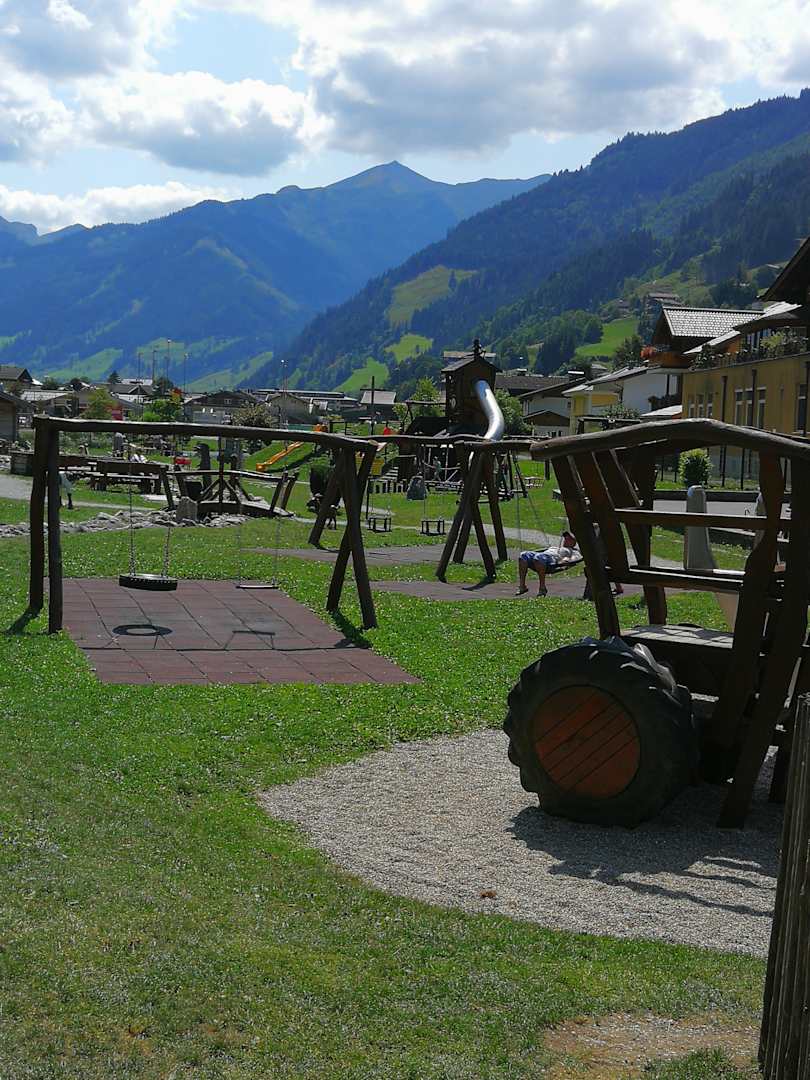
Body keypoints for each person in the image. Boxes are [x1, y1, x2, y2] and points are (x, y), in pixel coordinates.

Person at [517, 531, 578, 596]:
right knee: (523, 555)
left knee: (538, 557)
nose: (566, 539)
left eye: (569, 539)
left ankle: (542, 588)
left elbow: (574, 558)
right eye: (566, 538)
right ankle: (522, 586)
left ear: (574, 542)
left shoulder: (571, 550)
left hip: (551, 560)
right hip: (541, 556)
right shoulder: (556, 547)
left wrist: (565, 561)